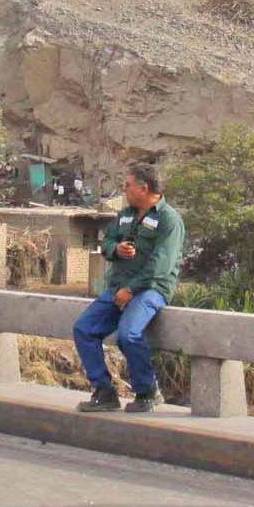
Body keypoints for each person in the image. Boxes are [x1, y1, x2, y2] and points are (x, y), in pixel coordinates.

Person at [72, 165, 184, 413]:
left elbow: (161, 266)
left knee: (129, 334)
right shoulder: (125, 215)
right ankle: (104, 391)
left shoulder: (169, 220)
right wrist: (116, 248)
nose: (124, 189)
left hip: (151, 289)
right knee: (84, 329)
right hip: (119, 287)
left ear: (144, 188)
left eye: (128, 185)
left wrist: (131, 291)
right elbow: (107, 242)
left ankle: (147, 391)